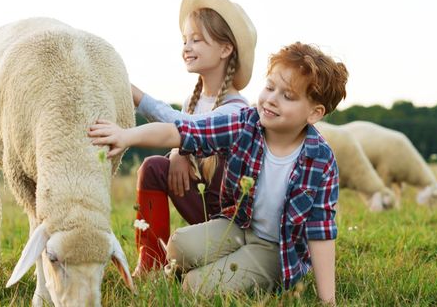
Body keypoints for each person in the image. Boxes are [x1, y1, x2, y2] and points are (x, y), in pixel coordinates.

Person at [89, 42, 348, 304]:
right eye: (270, 87)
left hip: (276, 248)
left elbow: (321, 231)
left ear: (314, 113)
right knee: (178, 246)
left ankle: (241, 275)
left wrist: (328, 300)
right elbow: (180, 131)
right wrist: (126, 135)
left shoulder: (321, 160)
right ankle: (212, 265)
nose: (271, 99)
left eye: (288, 96)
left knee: (195, 286)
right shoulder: (245, 122)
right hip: (238, 225)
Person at [128, 0, 256, 276]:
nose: (186, 46)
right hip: (202, 206)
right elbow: (183, 130)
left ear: (226, 49)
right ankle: (149, 260)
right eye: (185, 40)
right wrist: (177, 153)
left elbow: (189, 129)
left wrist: (133, 93)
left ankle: (216, 253)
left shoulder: (237, 110)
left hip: (232, 219)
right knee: (153, 167)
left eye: (197, 39)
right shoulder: (193, 102)